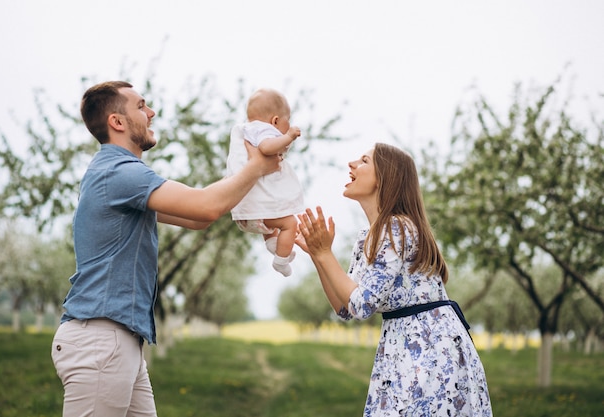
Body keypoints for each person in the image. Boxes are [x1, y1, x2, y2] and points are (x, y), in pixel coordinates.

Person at [50, 81, 281, 417]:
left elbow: (199, 218)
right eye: (142, 106)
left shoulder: (118, 175)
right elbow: (205, 207)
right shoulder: (119, 172)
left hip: (117, 341)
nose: (152, 112)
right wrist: (257, 166)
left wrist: (249, 177)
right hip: (101, 341)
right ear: (117, 122)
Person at [295, 143, 493, 416]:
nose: (352, 164)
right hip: (401, 347)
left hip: (428, 351)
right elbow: (345, 308)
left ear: (385, 178)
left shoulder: (397, 227)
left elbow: (362, 305)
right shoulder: (369, 237)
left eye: (364, 161)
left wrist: (325, 253)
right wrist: (319, 257)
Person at [226, 88, 304, 276]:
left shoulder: (247, 130)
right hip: (256, 212)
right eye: (288, 120)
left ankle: (272, 243)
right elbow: (267, 147)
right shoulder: (263, 130)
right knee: (290, 223)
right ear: (275, 121)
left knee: (272, 214)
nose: (289, 125)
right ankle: (281, 261)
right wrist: (289, 136)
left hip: (246, 213)